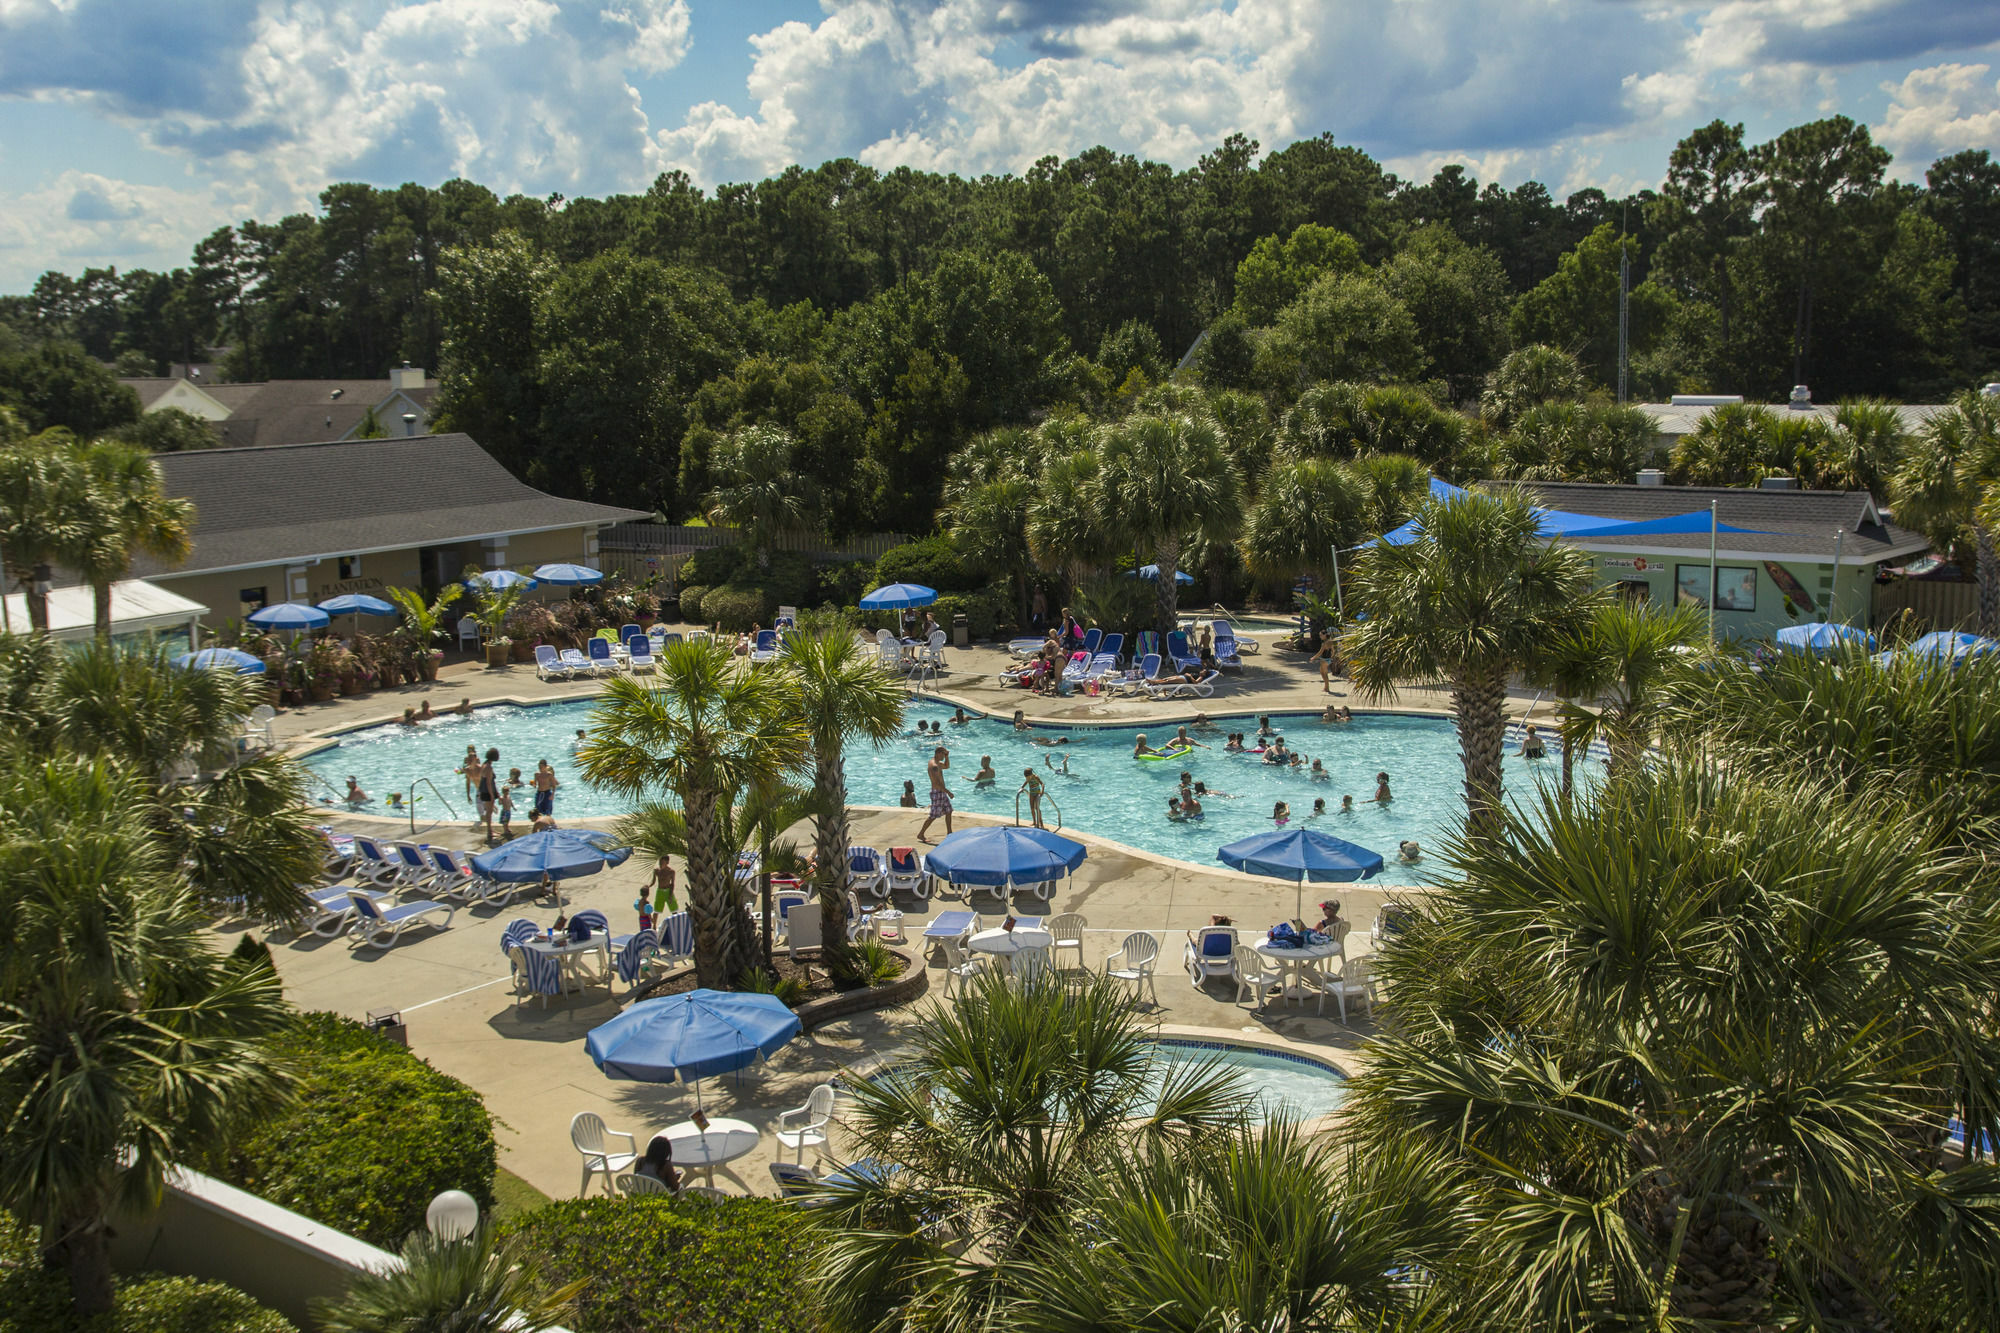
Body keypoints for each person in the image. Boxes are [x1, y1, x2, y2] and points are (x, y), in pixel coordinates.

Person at [918, 746, 954, 843]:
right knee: (933, 816)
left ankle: (949, 833)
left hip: (941, 792)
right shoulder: (934, 766)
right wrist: (948, 792)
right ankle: (921, 834)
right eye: (943, 754)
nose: (943, 756)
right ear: (938, 753)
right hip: (937, 792)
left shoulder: (937, 763)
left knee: (949, 811)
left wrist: (947, 757)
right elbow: (936, 783)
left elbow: (947, 766)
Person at [475, 747, 500, 841]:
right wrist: (492, 795)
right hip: (488, 792)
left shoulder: (484, 764)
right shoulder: (489, 767)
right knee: (489, 812)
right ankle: (490, 832)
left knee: (489, 812)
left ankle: (490, 830)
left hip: (484, 791)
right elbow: (489, 783)